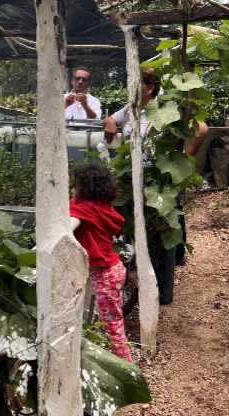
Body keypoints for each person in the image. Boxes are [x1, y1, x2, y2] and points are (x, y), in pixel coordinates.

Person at [102, 69, 209, 304]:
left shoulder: (163, 109)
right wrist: (110, 121)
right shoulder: (130, 109)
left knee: (163, 230)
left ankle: (162, 294)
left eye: (134, 82)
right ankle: (145, 278)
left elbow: (201, 128)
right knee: (145, 229)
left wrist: (186, 158)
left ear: (149, 88)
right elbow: (111, 119)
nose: (129, 85)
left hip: (161, 178)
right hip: (137, 179)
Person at [70, 163, 131, 362]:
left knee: (113, 325)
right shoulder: (101, 207)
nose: (72, 190)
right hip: (113, 270)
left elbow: (63, 222)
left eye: (75, 186)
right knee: (113, 320)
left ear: (84, 189)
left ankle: (126, 368)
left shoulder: (85, 210)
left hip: (105, 274)